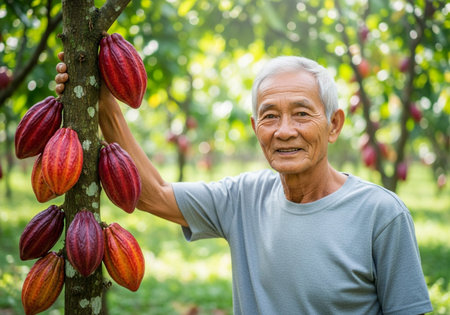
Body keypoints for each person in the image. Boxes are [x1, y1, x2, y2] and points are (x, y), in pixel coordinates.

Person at [55, 54, 432, 314]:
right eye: (270, 116)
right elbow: (150, 194)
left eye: (301, 113)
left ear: (333, 124)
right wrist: (103, 102)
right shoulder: (242, 199)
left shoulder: (382, 215)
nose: (285, 131)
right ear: (256, 129)